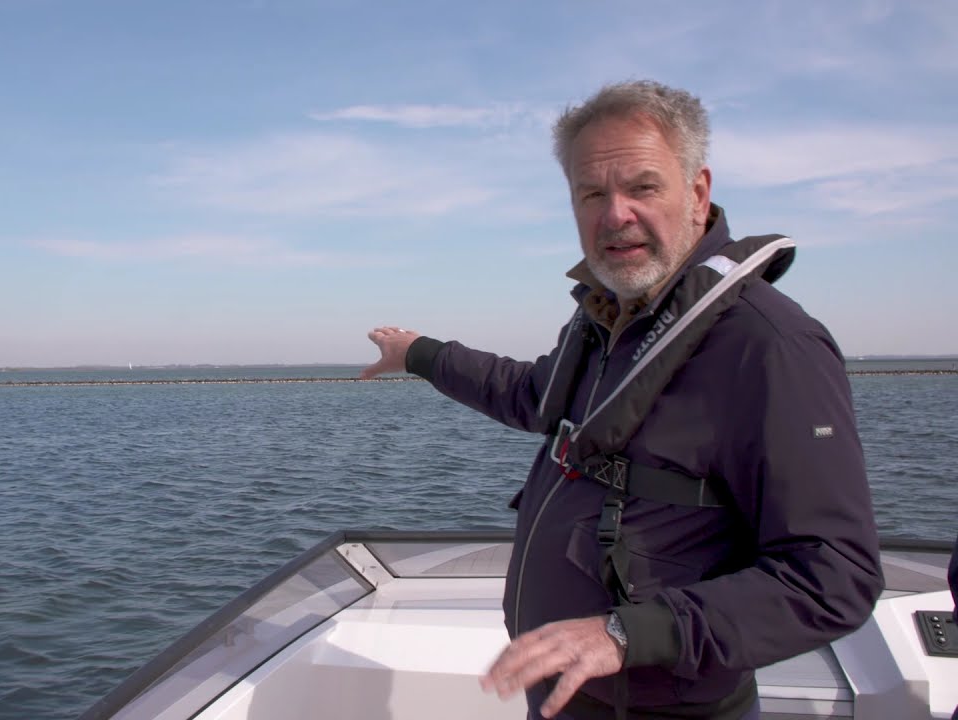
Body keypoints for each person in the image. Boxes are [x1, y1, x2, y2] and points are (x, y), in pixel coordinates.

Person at [361, 80, 884, 720]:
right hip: (569, 692)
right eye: (592, 194)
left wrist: (625, 634)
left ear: (696, 193)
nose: (615, 215)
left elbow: (833, 578)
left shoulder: (771, 345)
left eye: (642, 187)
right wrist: (417, 353)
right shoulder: (610, 318)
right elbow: (531, 394)